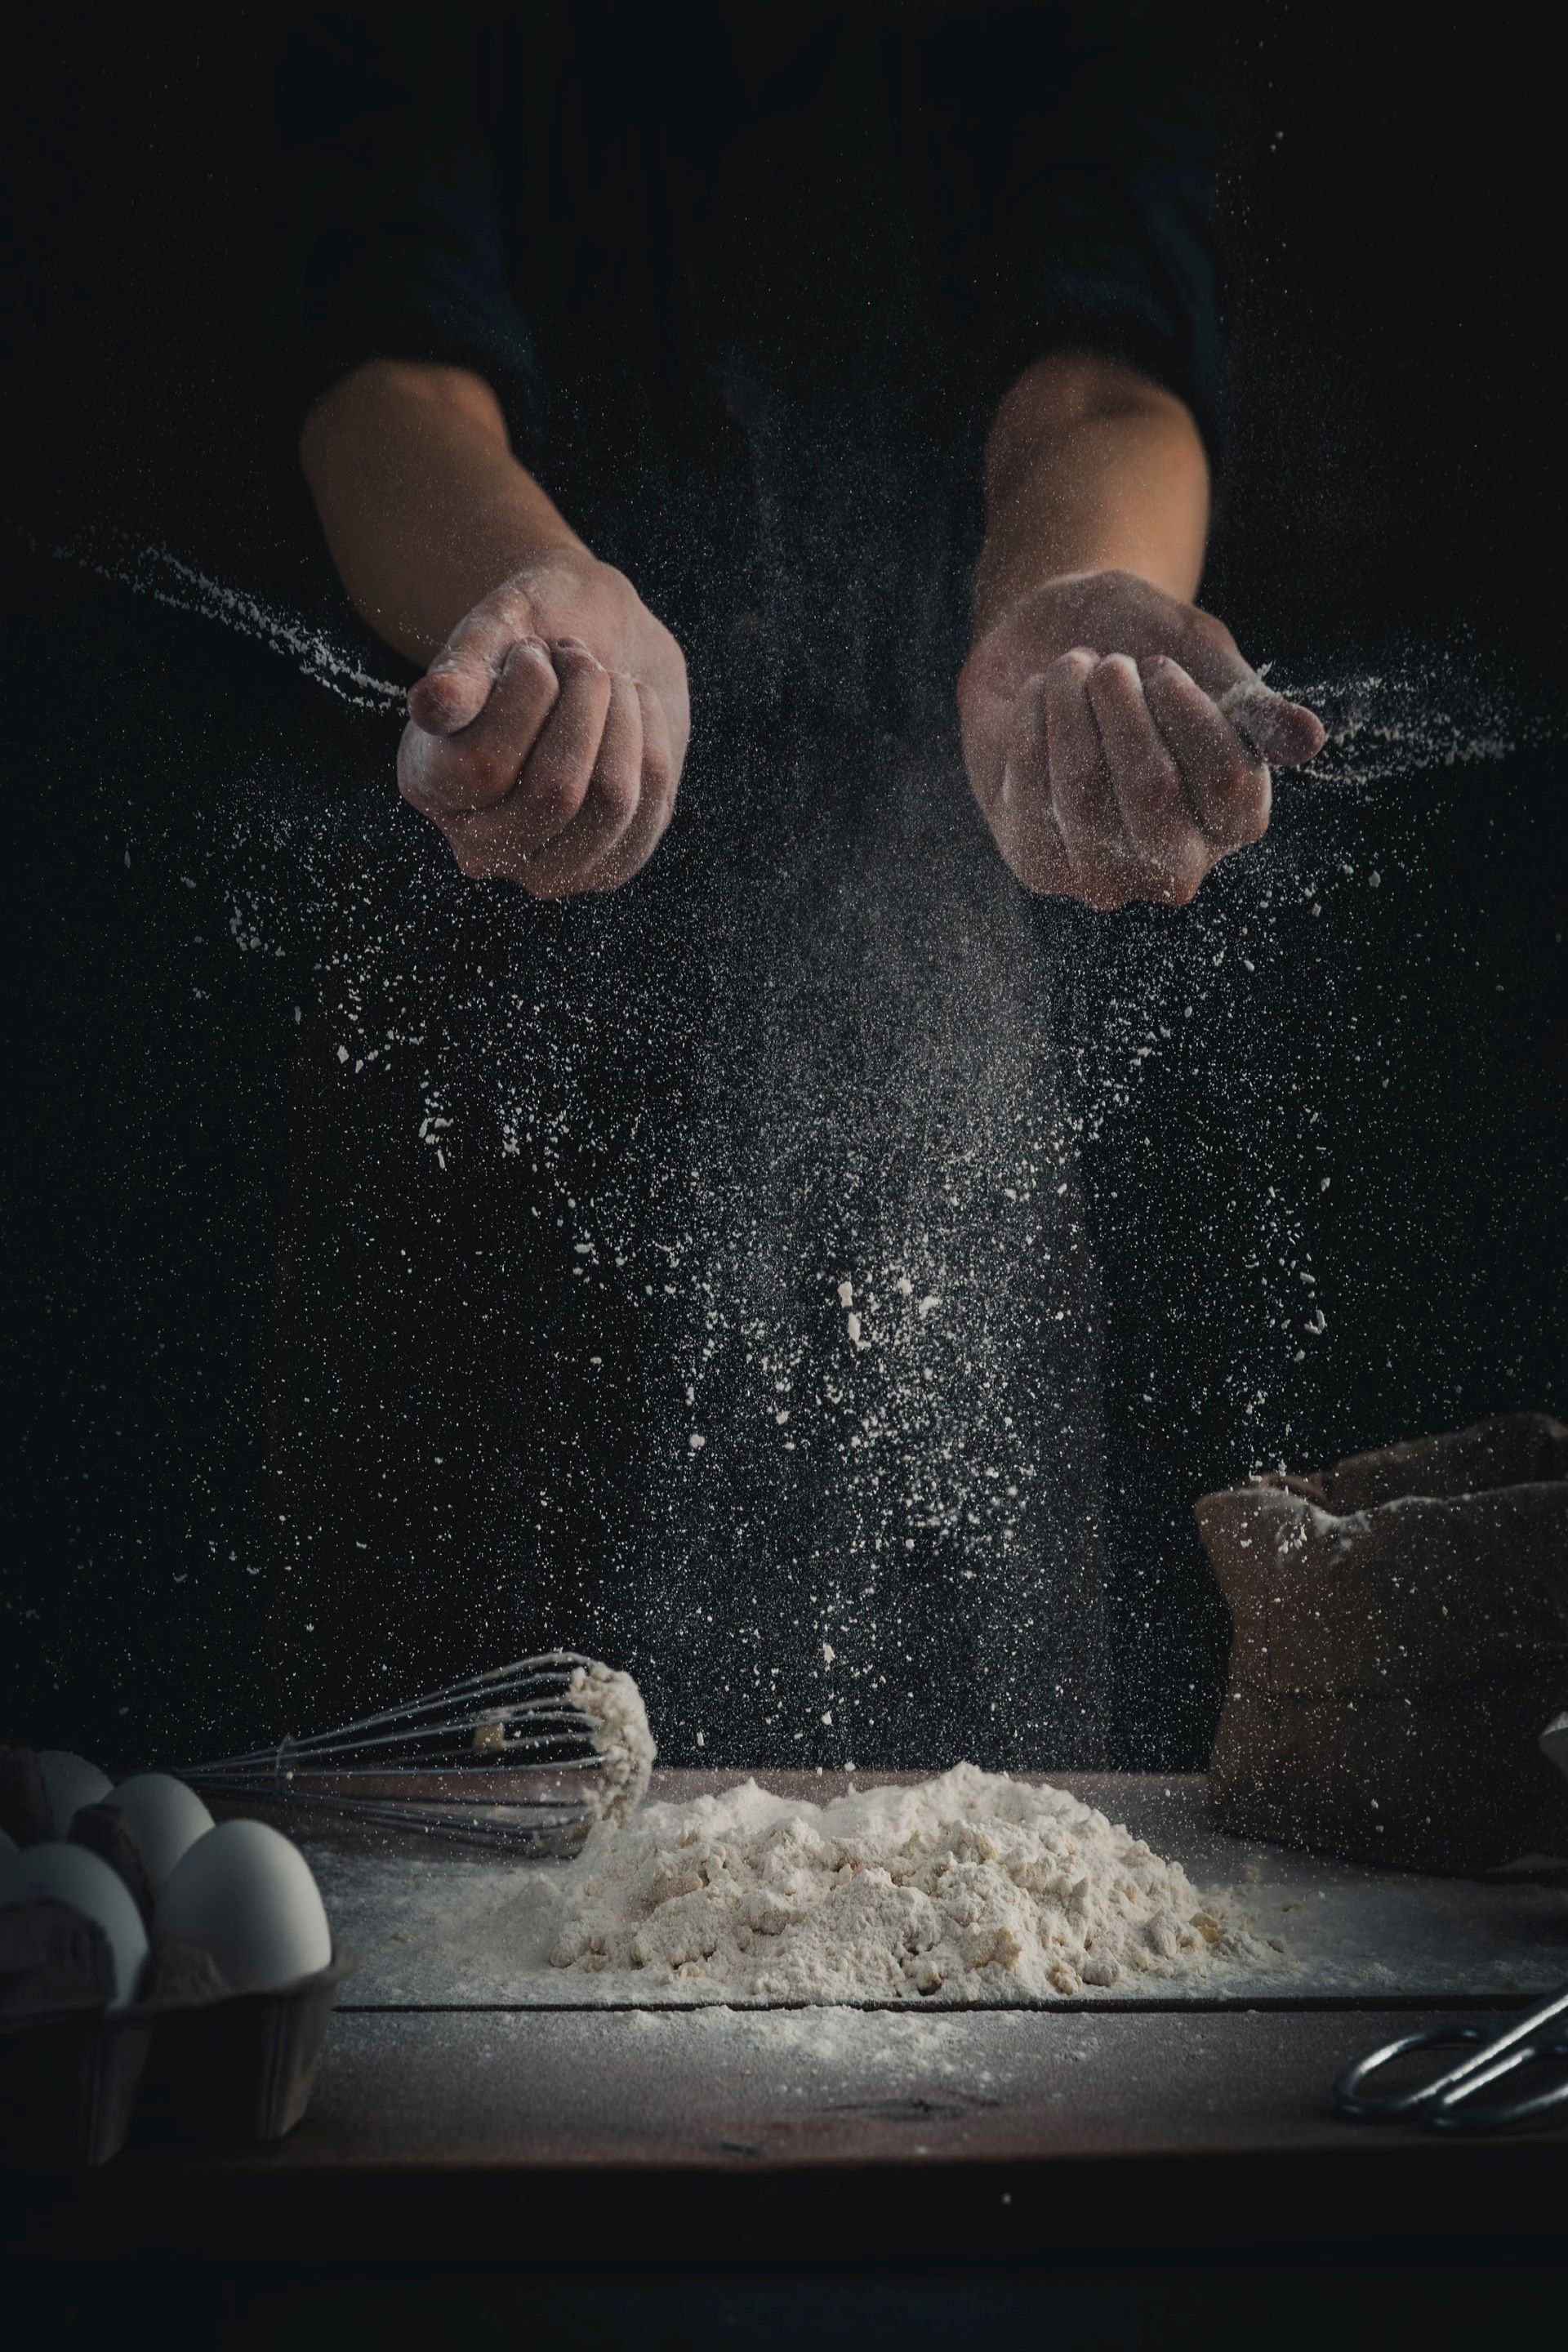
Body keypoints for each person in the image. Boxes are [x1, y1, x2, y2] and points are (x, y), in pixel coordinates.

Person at [265, 2, 1327, 1764]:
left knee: (972, 1869)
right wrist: (532, 588)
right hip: (490, 900)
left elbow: (1109, 361)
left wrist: (1070, 600)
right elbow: (385, 354)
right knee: (423, 1878)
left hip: (945, 993)